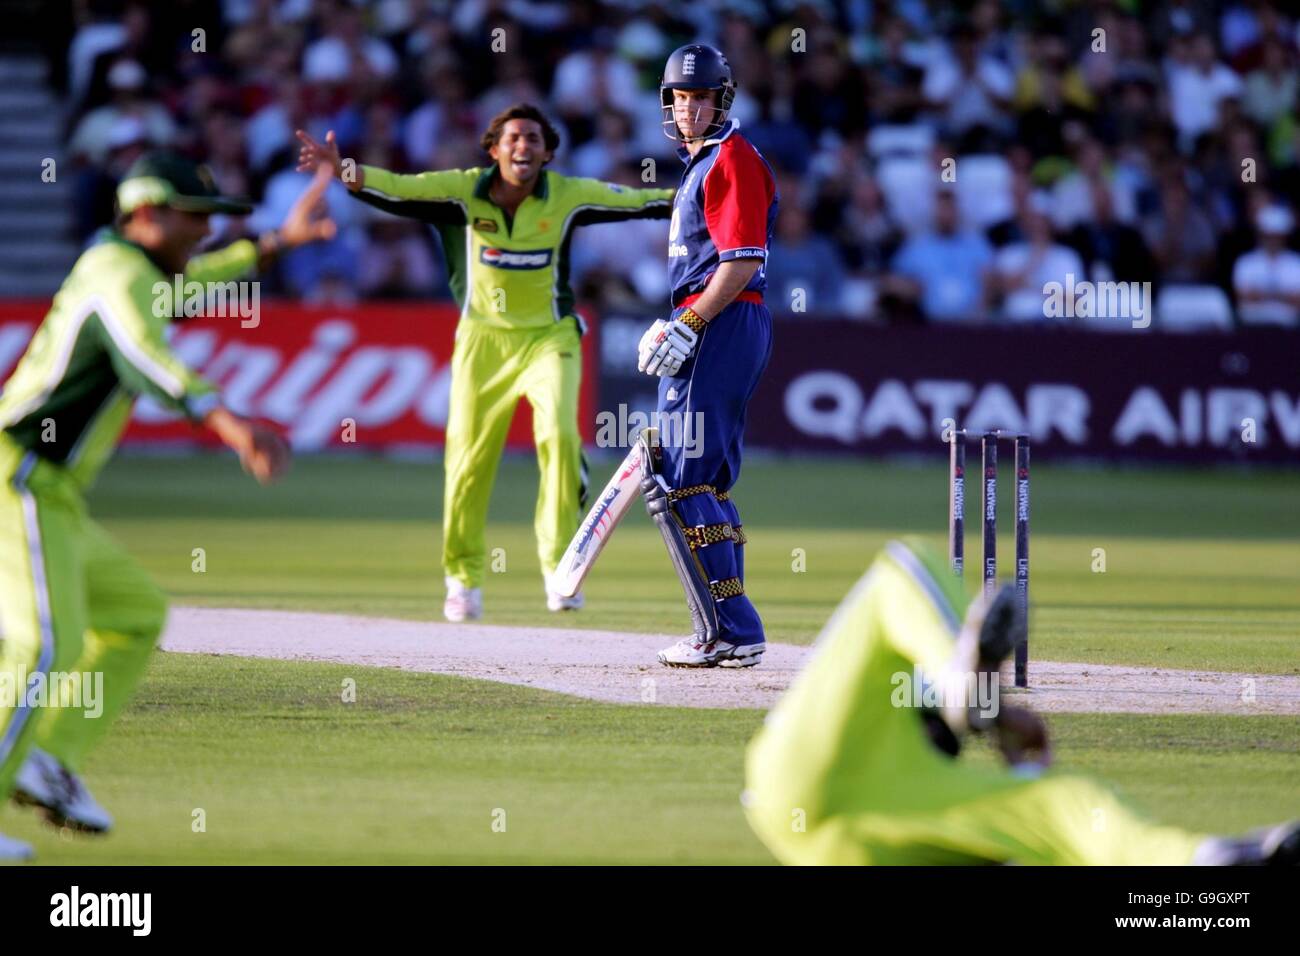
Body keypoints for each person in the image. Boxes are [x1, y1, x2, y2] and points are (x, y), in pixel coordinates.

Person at [0, 153, 335, 861]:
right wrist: (231, 424)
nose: (207, 231)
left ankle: (47, 758)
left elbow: (195, 289)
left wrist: (277, 243)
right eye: (197, 216)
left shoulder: (140, 274)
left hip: (51, 491)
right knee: (43, 646)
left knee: (132, 616)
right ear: (147, 213)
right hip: (17, 473)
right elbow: (147, 359)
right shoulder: (115, 273)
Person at [297, 104, 675, 621]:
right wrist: (343, 169)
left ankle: (560, 569)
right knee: (467, 465)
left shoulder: (566, 196)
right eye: (514, 138)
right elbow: (397, 189)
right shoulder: (460, 191)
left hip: (550, 338)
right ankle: (463, 579)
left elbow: (640, 200)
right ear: (493, 148)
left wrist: (700, 196)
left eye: (534, 139)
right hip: (482, 342)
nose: (524, 147)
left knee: (561, 440)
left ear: (547, 153)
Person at [743, 538, 1300, 865]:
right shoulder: (914, 713)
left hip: (802, 813)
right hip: (882, 811)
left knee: (902, 565)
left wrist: (994, 718)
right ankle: (1188, 859)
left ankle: (1211, 862)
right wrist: (997, 716)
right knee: (1065, 806)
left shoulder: (889, 714)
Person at [636, 44, 778, 668]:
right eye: (681, 98)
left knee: (682, 478)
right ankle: (735, 627)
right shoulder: (701, 166)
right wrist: (678, 320)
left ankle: (726, 630)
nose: (691, 109)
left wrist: (690, 320)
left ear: (723, 99)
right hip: (720, 321)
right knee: (707, 482)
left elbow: (743, 260)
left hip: (721, 319)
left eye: (702, 97)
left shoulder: (732, 158)